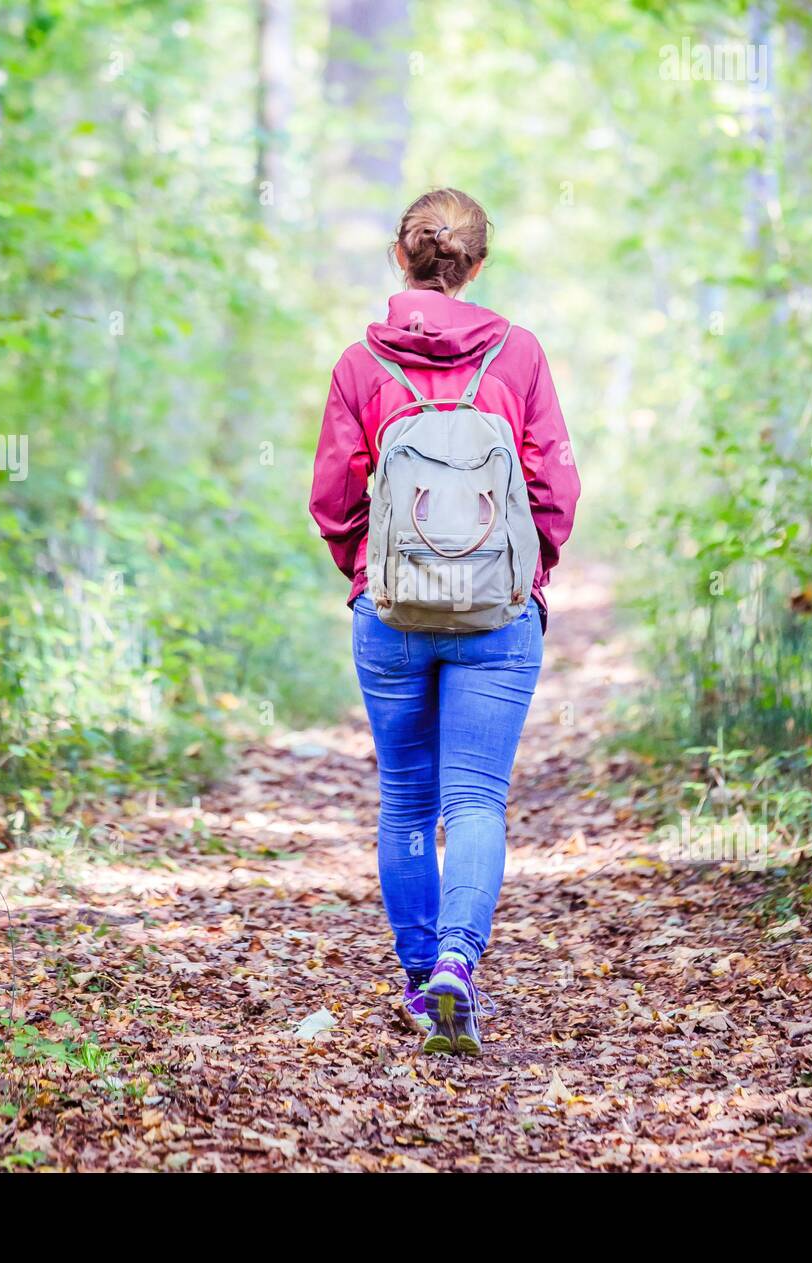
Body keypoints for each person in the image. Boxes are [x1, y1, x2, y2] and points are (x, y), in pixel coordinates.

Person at [309, 188, 580, 1054]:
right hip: (498, 617)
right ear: (478, 264)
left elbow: (334, 498)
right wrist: (526, 575)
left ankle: (421, 982)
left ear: (403, 255)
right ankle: (461, 962)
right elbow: (554, 486)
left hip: (388, 614)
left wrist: (367, 574)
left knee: (404, 800)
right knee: (475, 800)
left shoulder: (361, 365)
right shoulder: (520, 354)